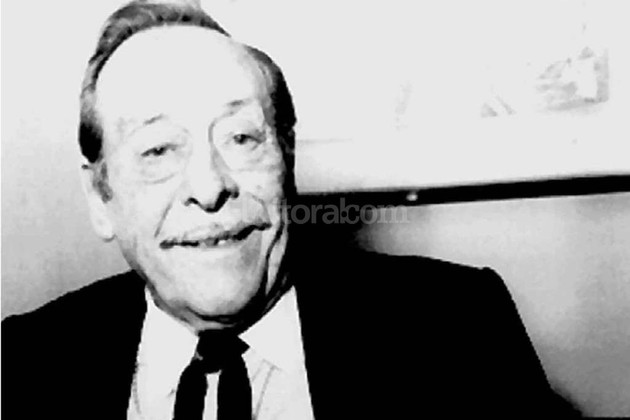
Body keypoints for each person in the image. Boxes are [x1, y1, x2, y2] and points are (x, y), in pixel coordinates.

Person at [1, 1, 580, 418]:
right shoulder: (24, 366)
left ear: (287, 158)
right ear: (99, 198)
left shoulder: (458, 330)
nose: (209, 187)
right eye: (158, 150)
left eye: (242, 138)